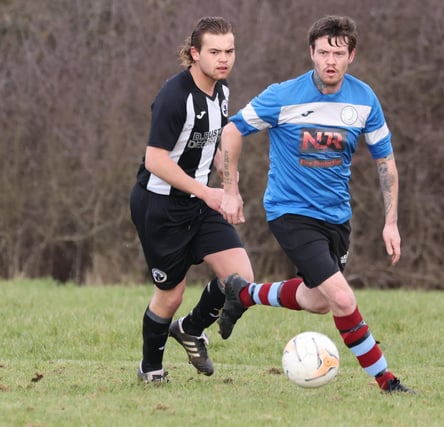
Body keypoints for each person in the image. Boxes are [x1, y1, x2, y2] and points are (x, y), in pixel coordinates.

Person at [217, 15, 415, 394]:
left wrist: (391, 222)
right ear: (311, 52)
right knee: (342, 297)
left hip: (337, 217)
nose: (330, 61)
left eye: (338, 54)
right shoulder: (283, 95)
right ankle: (387, 381)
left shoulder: (364, 100)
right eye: (323, 52)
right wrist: (230, 188)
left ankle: (243, 293)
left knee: (318, 301)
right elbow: (232, 130)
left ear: (351, 56)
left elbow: (385, 162)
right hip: (290, 212)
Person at [130, 16, 254, 383]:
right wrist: (208, 192)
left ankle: (190, 330)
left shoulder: (223, 91)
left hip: (200, 203)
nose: (224, 58)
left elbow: (219, 150)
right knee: (171, 294)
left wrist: (230, 189)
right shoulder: (175, 95)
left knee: (240, 279)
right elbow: (155, 159)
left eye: (229, 51)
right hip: (160, 206)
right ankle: (150, 370)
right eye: (214, 51)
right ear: (194, 53)